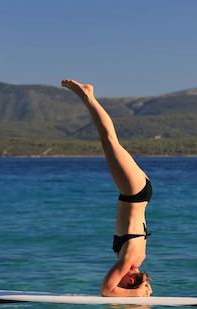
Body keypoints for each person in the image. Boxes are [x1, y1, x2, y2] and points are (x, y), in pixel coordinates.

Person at [61, 79, 153, 297]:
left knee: (112, 143)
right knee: (109, 141)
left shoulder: (136, 259)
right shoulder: (130, 260)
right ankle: (88, 96)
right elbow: (106, 289)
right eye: (125, 282)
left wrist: (141, 290)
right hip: (134, 193)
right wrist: (135, 295)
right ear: (130, 278)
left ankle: (88, 97)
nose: (117, 278)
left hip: (139, 192)